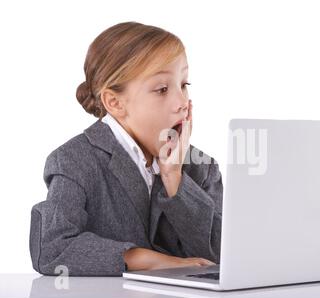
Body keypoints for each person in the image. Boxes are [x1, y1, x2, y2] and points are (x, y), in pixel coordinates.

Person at [29, 21, 222, 276]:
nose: (182, 102)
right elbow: (52, 249)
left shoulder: (202, 168)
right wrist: (149, 259)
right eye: (162, 89)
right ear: (115, 102)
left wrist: (174, 179)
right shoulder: (73, 160)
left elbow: (219, 255)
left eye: (184, 85)